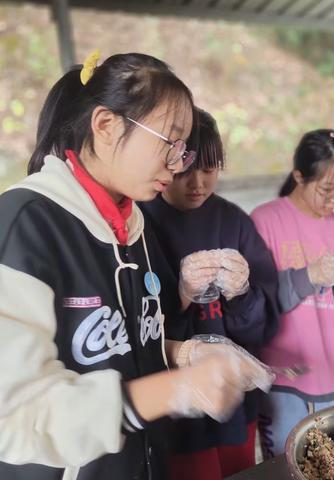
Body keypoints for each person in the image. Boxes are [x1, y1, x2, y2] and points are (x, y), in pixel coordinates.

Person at [0, 52, 273, 480]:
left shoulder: (133, 222)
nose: (178, 164)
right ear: (106, 126)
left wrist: (183, 353)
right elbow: (13, 417)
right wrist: (168, 391)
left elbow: (120, 345)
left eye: (184, 150)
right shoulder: (23, 224)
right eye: (170, 143)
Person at [140, 108, 279, 479]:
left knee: (240, 471)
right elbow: (137, 330)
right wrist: (181, 292)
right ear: (167, 162)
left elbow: (262, 324)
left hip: (235, 400)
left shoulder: (233, 220)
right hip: (176, 403)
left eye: (211, 169)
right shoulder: (141, 223)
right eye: (186, 171)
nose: (198, 183)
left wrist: (243, 293)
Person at [251, 129, 334, 458]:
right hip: (283, 376)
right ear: (299, 176)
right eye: (327, 189)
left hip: (332, 372)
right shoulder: (266, 220)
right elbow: (255, 303)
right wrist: (309, 275)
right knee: (288, 466)